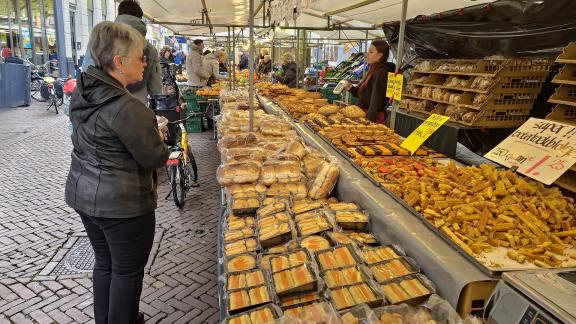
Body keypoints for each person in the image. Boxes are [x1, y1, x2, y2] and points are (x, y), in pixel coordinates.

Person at [65, 21, 169, 324]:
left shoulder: (83, 90)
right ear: (119, 62)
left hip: (85, 195)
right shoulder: (128, 107)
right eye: (140, 57)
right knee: (127, 272)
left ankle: (107, 319)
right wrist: (158, 136)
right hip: (122, 204)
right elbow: (154, 157)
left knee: (106, 264)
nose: (145, 63)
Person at [81, 0, 162, 104]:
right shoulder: (150, 49)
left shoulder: (100, 39)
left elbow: (87, 70)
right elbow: (156, 88)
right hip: (136, 103)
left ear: (119, 14)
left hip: (101, 101)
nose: (144, 63)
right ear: (140, 18)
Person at [344, 40, 396, 123]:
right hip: (364, 114)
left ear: (380, 55)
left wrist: (368, 121)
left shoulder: (381, 73)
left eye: (371, 52)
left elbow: (376, 100)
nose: (367, 54)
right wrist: (351, 88)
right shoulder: (373, 69)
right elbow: (364, 95)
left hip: (372, 117)